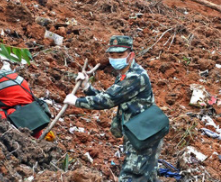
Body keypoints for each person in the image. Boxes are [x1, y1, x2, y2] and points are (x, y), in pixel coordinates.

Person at [63, 36, 163, 181]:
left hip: (145, 135)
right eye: (112, 56)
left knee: (132, 175)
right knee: (146, 176)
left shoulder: (135, 77)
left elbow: (108, 100)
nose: (115, 59)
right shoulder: (125, 75)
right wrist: (87, 87)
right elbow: (112, 97)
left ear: (131, 55)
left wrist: (77, 101)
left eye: (120, 55)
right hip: (140, 132)